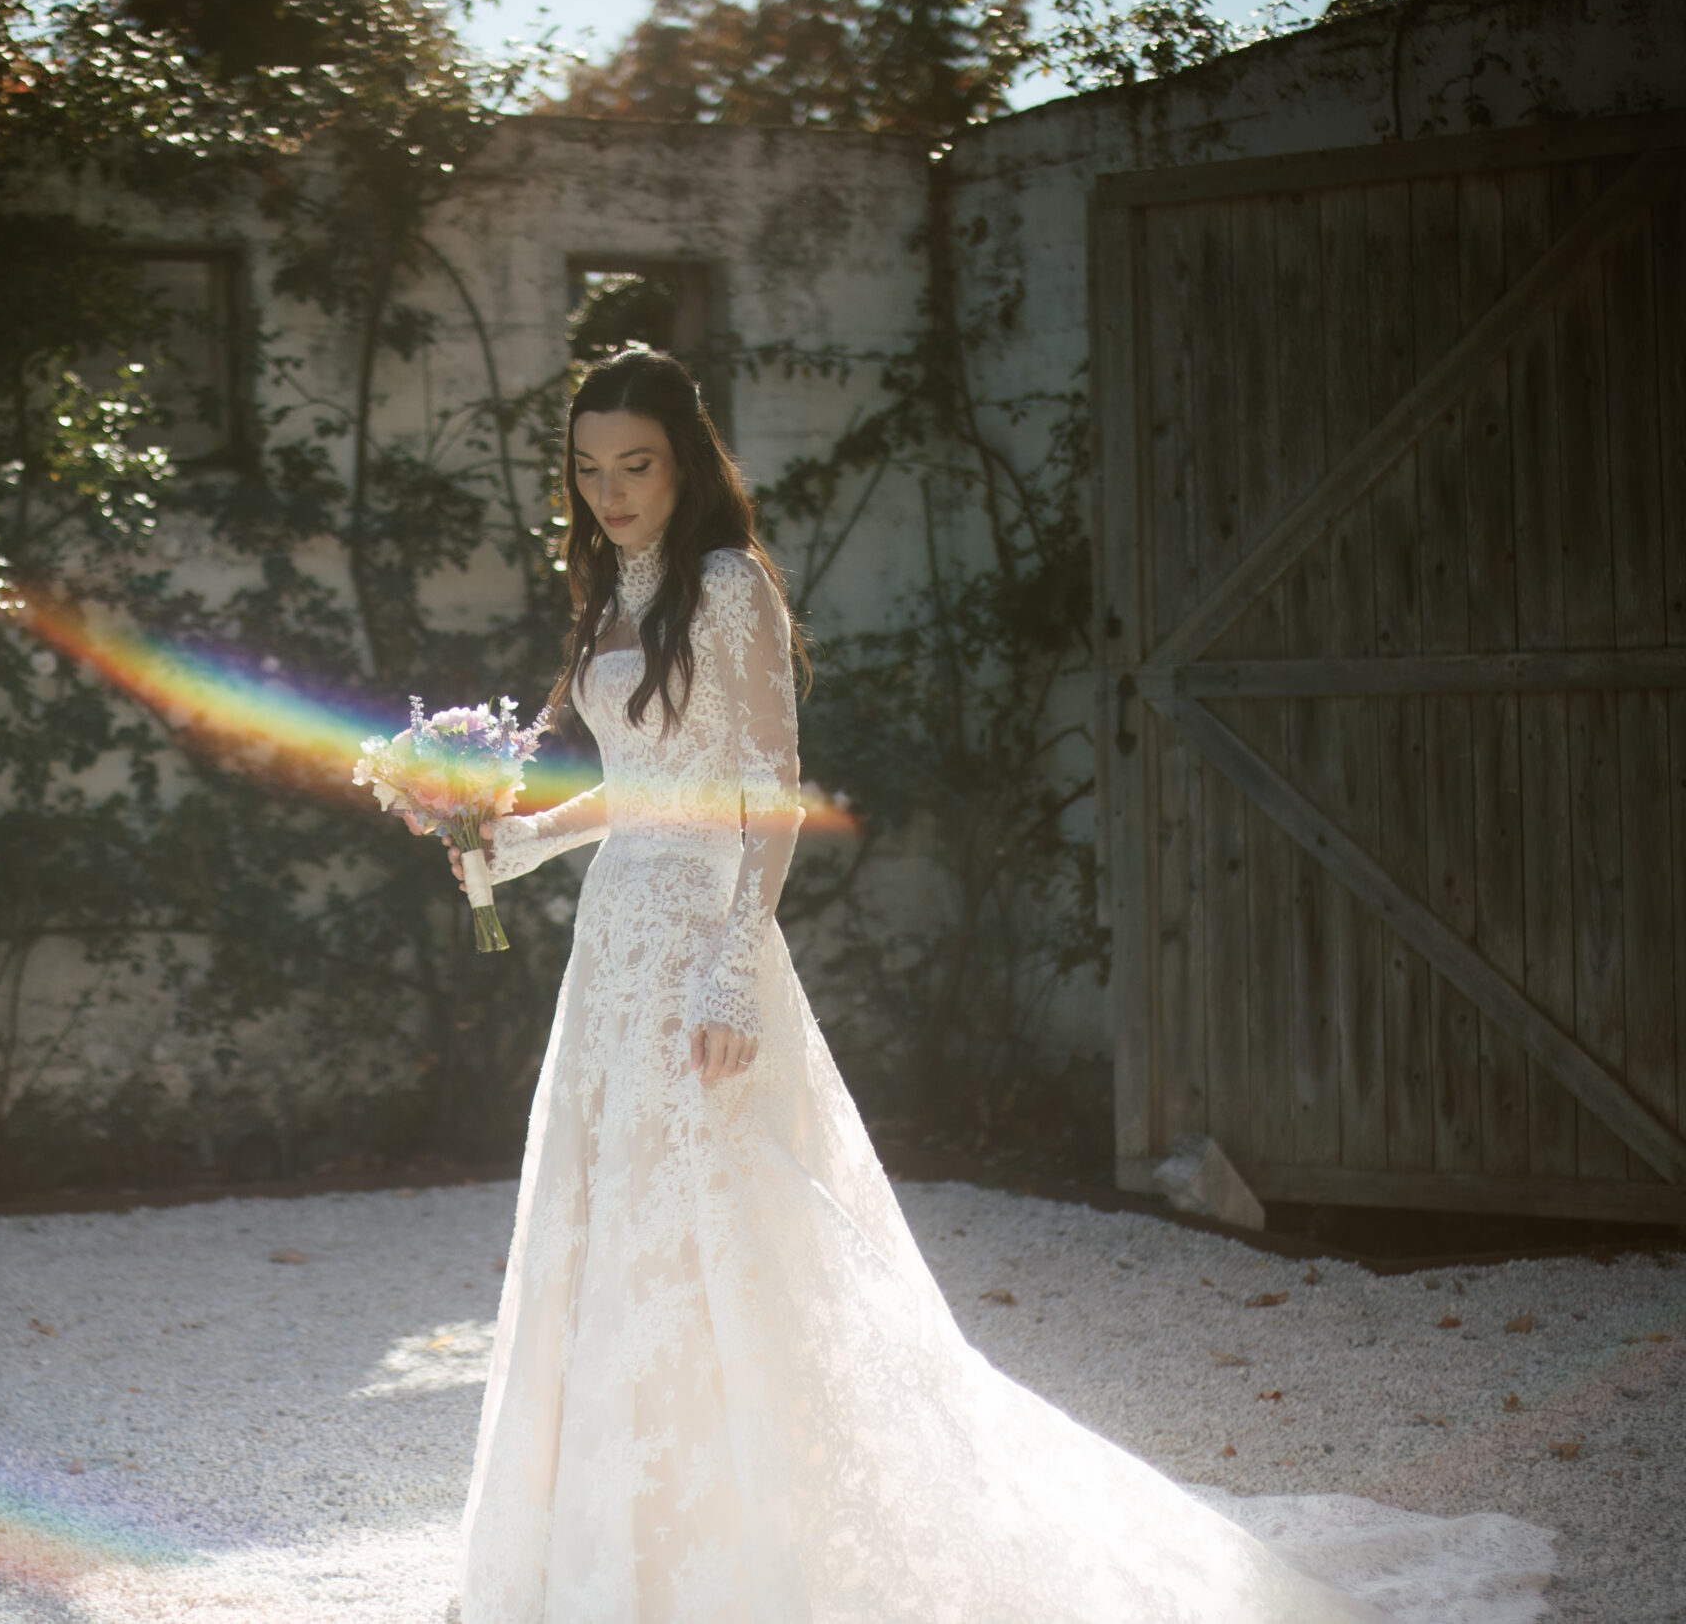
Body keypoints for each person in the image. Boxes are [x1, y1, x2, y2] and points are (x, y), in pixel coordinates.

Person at [426, 347, 1546, 1623]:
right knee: (607, 1219)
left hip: (699, 945)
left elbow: (765, 793)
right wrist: (513, 843)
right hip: (611, 946)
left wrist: (732, 970)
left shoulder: (726, 585)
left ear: (687, 467)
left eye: (637, 465)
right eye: (589, 467)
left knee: (727, 1228)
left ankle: (748, 1550)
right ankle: (617, 1540)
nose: (612, 490)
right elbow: (639, 794)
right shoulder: (606, 590)